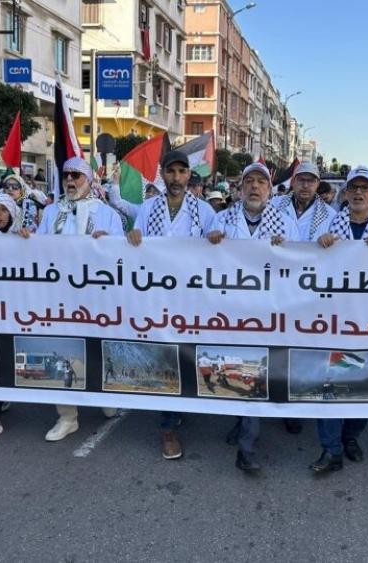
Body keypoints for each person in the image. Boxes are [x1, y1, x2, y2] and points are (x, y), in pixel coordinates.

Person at [310, 165, 368, 474]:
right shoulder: (327, 224)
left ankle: (351, 437)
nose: (359, 193)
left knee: (363, 385)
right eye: (354, 188)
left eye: (366, 187)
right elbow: (306, 267)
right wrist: (320, 245)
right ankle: (331, 449)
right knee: (330, 383)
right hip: (334, 320)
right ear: (346, 192)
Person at [206, 162, 297, 473]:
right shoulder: (221, 220)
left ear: (270, 190)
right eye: (249, 182)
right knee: (235, 370)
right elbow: (199, 263)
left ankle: (247, 446)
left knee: (255, 374)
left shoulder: (285, 224)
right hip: (230, 313)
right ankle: (242, 423)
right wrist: (209, 242)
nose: (255, 187)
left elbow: (301, 267)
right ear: (240, 188)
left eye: (261, 182)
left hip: (269, 315)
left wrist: (286, 250)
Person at [127, 150, 216, 460]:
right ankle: (168, 428)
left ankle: (180, 408)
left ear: (189, 174)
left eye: (181, 171)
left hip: (192, 298)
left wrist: (217, 240)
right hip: (158, 297)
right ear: (162, 174)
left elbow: (220, 252)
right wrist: (132, 236)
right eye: (170, 171)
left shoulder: (204, 211)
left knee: (187, 356)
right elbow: (136, 245)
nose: (176, 178)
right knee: (166, 357)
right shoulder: (147, 208)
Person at [36, 157, 123, 442]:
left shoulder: (107, 214)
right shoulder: (51, 212)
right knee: (61, 352)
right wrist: (26, 238)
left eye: (76, 176)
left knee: (98, 349)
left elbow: (121, 256)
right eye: (66, 176)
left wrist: (108, 243)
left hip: (96, 298)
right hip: (58, 297)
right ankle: (67, 416)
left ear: (89, 179)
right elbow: (37, 249)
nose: (70, 181)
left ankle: (104, 396)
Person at [271, 162, 335, 243]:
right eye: (301, 180)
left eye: (311, 181)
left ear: (318, 183)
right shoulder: (274, 205)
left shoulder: (330, 215)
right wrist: (269, 237)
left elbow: (337, 245)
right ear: (293, 182)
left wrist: (329, 242)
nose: (305, 185)